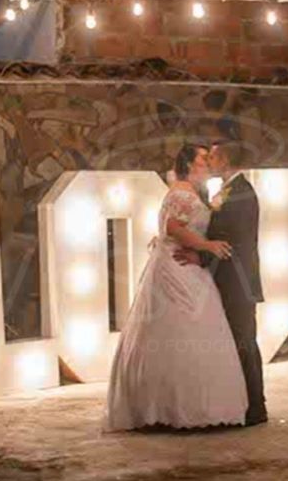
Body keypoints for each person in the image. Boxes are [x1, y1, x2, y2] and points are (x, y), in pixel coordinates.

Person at [104, 144, 248, 431]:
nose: (208, 162)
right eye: (203, 158)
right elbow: (172, 227)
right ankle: (169, 407)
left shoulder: (195, 192)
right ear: (189, 164)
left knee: (197, 329)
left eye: (209, 158)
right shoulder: (181, 192)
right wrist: (207, 245)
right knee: (176, 329)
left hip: (190, 267)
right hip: (176, 268)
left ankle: (198, 406)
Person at [176, 140, 268, 426]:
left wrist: (200, 257)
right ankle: (241, 404)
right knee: (236, 342)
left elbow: (233, 241)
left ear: (226, 160)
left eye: (213, 156)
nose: (209, 160)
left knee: (244, 342)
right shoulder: (228, 191)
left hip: (238, 281)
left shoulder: (241, 193)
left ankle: (256, 407)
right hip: (228, 279)